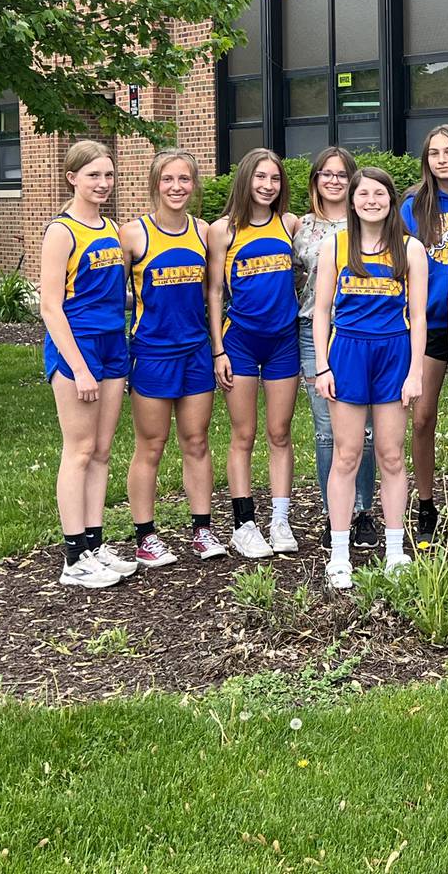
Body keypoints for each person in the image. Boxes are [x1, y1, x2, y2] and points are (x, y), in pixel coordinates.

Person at [313, 168, 427, 590]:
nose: (371, 200)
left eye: (380, 193)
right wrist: (323, 366)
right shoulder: (335, 244)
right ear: (353, 199)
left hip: (393, 353)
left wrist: (415, 371)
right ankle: (340, 551)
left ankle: (395, 549)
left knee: (391, 456)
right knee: (346, 455)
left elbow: (418, 316)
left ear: (391, 200)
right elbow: (321, 310)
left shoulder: (410, 249)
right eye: (364, 194)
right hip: (348, 354)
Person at [39, 139, 137, 588]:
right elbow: (50, 307)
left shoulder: (111, 227)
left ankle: (95, 544)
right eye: (93, 175)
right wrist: (78, 367)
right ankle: (73, 556)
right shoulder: (62, 231)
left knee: (101, 450)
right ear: (72, 177)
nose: (102, 183)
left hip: (113, 344)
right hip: (76, 346)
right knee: (77, 451)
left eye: (109, 175)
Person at [122, 149, 224, 567]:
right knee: (151, 444)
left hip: (196, 350)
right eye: (168, 179)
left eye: (184, 179)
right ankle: (145, 537)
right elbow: (111, 296)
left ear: (194, 184)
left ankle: (202, 528)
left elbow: (212, 293)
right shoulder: (133, 234)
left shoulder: (204, 233)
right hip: (151, 352)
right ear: (155, 184)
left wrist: (217, 349)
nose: (177, 187)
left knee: (197, 442)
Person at [207, 149, 301, 559]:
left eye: (275, 179)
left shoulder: (289, 224)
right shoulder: (223, 231)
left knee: (280, 433)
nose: (267, 185)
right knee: (242, 434)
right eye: (260, 177)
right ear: (246, 179)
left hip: (283, 341)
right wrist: (218, 350)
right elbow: (213, 292)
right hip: (240, 341)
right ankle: (243, 524)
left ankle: (280, 520)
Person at [293, 147, 377, 551]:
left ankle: (364, 513)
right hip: (313, 331)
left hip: (364, 333)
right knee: (328, 431)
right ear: (315, 180)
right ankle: (335, 515)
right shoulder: (300, 227)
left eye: (342, 175)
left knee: (366, 431)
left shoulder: (369, 220)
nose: (334, 181)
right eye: (326, 174)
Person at [401, 127, 448, 544]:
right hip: (427, 325)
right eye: (434, 153)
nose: (442, 159)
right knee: (423, 415)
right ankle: (426, 503)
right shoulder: (414, 205)